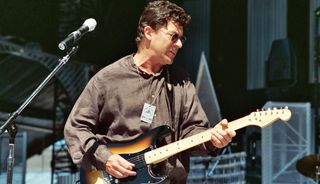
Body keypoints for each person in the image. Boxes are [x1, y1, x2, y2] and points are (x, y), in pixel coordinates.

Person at [64, 0, 236, 183]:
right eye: (173, 36)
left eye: (181, 39)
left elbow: (192, 130)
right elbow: (76, 128)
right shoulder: (108, 78)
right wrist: (105, 158)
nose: (179, 44)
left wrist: (212, 139)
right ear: (149, 32)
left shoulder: (181, 81)